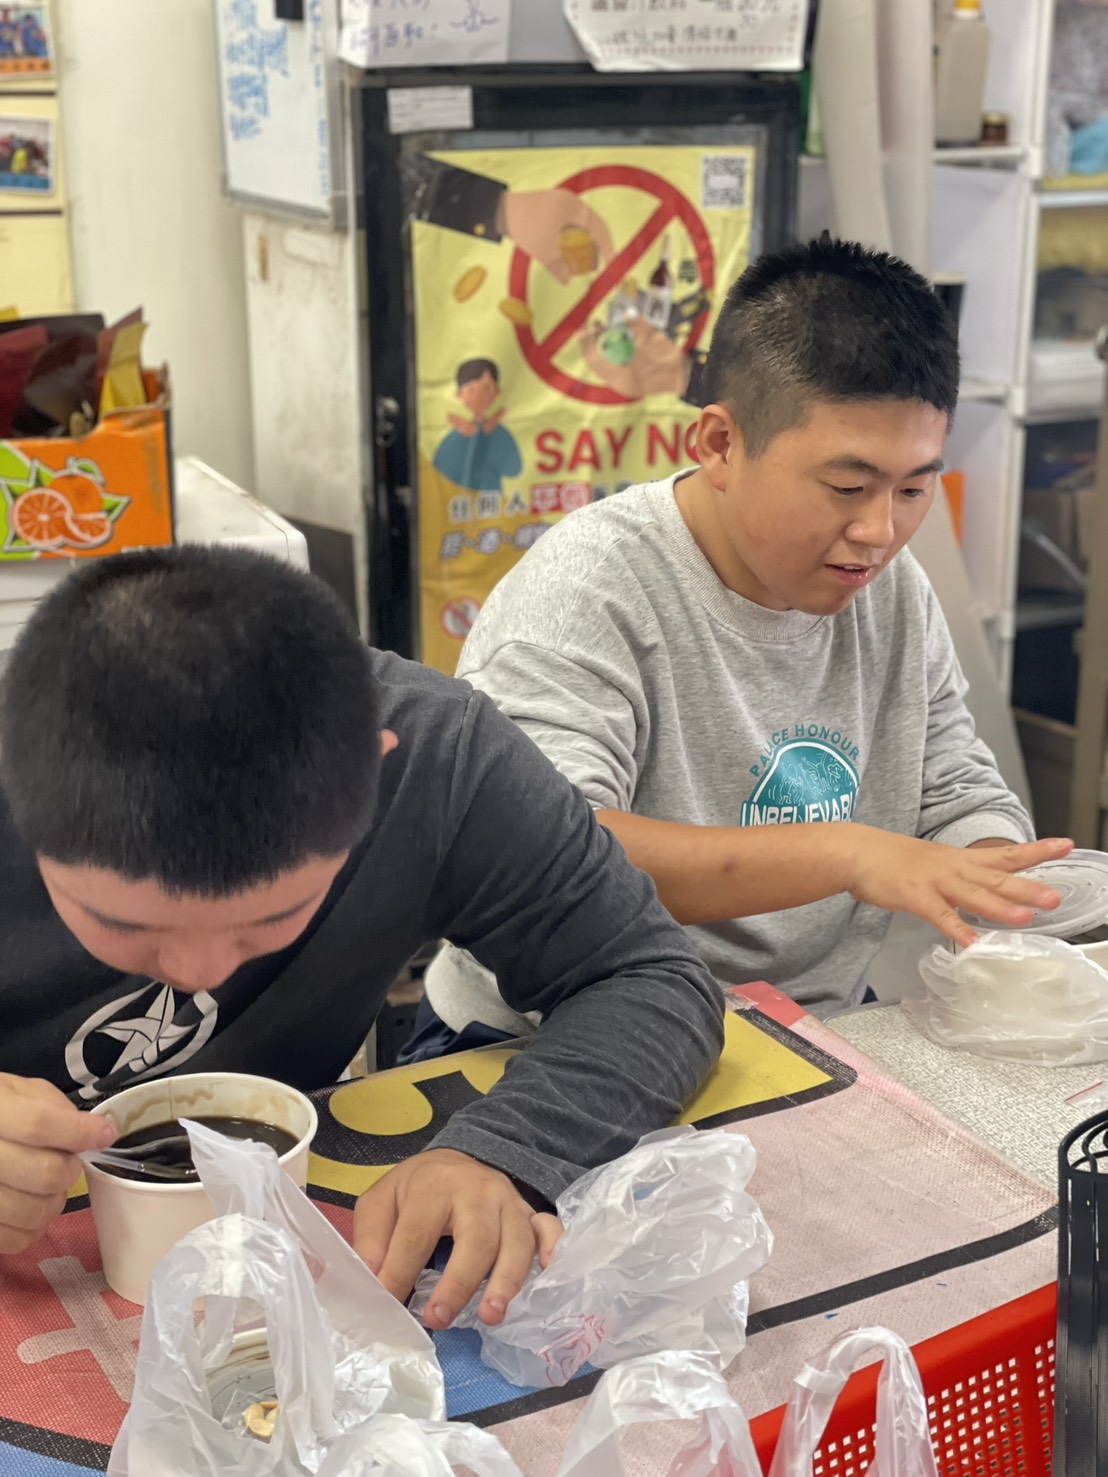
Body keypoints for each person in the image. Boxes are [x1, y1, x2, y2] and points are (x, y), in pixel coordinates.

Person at [0, 547, 724, 1331]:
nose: (199, 974)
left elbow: (649, 973)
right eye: (123, 923)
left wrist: (503, 1147)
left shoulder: (438, 762)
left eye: (269, 918)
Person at [409, 237, 1070, 1059]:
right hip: (560, 1033)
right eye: (847, 486)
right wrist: (847, 853)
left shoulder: (891, 588)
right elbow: (553, 859)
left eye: (913, 487)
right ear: (720, 444)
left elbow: (952, 783)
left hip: (806, 1026)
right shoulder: (587, 589)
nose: (879, 530)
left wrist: (993, 866)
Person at [433, 358, 522, 494]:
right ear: (459, 394)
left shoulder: (499, 432)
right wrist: (462, 437)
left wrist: (492, 436)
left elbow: (514, 469)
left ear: (497, 391)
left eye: (487, 388)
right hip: (458, 502)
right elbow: (440, 469)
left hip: (493, 502)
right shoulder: (457, 435)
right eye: (471, 389)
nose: (479, 396)